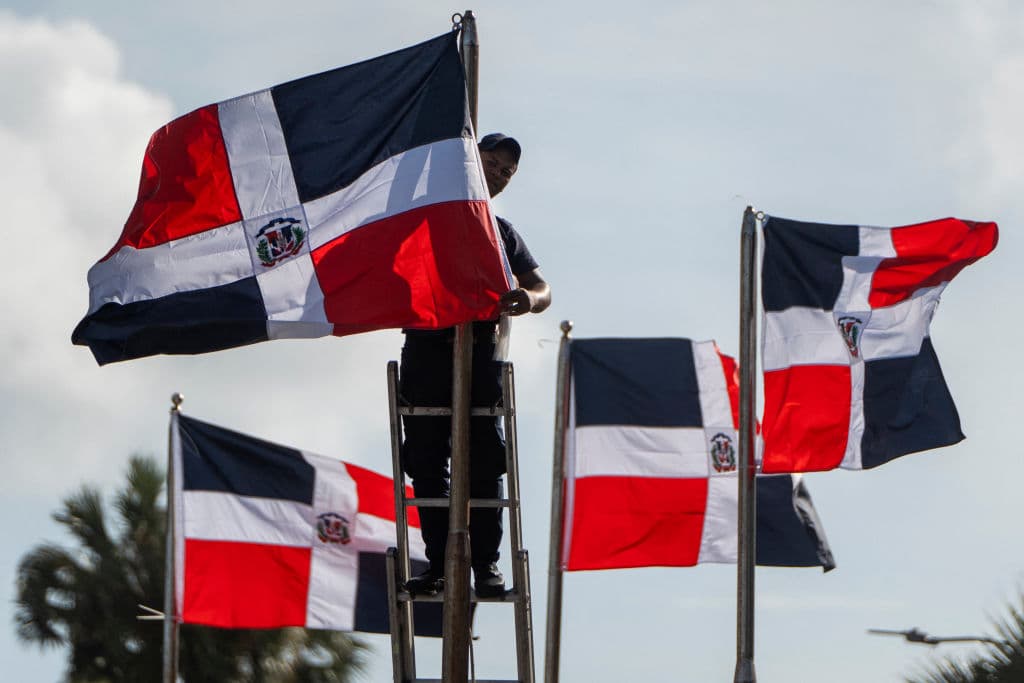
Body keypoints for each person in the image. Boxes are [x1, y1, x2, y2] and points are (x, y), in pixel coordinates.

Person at [400, 133, 551, 598]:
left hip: (481, 349)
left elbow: (542, 289)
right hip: (427, 346)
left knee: (484, 459)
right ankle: (441, 564)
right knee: (426, 460)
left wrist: (527, 299)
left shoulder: (502, 232)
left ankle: (485, 564)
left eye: (507, 171)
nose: (498, 174)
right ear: (472, 159)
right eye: (491, 162)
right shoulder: (425, 217)